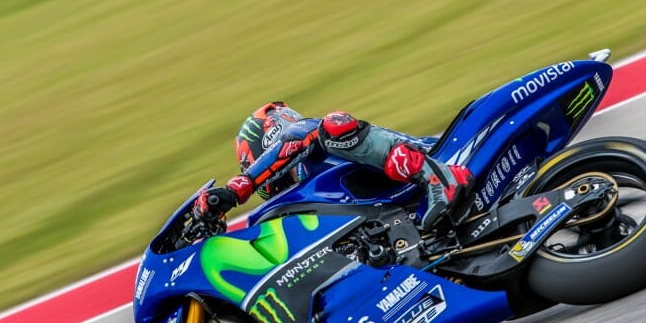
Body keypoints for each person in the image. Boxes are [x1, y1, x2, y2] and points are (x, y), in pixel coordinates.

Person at [193, 102, 473, 230]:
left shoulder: (306, 139)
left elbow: (301, 136)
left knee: (332, 127)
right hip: (394, 212)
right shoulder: (298, 201)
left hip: (445, 154)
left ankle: (438, 178)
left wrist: (239, 187)